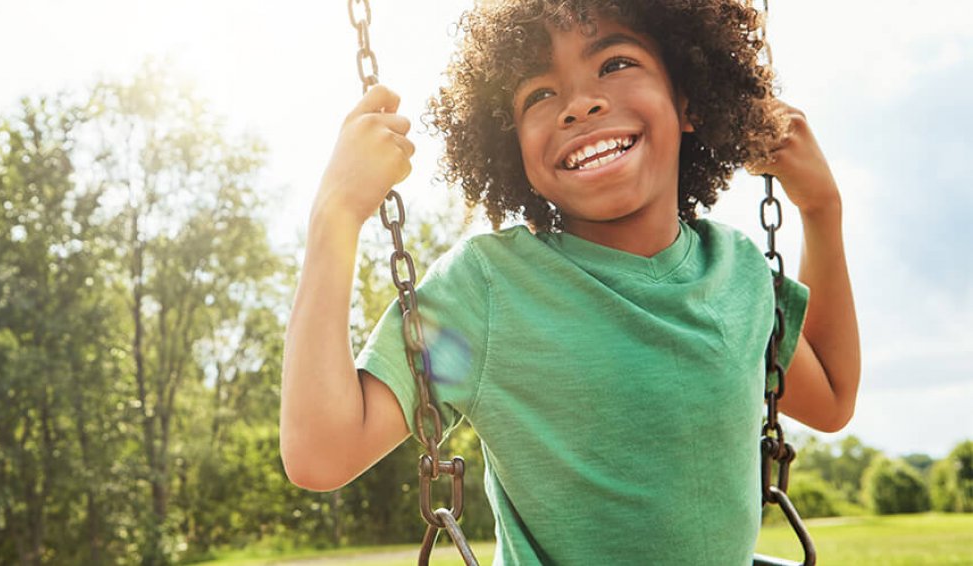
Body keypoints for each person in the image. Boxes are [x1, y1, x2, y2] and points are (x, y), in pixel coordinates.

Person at [280, 0, 861, 563]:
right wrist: (335, 215)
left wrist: (822, 209)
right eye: (539, 94)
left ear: (687, 100)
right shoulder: (490, 290)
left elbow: (832, 398)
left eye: (615, 64)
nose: (579, 105)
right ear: (513, 147)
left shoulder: (736, 271)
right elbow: (323, 452)